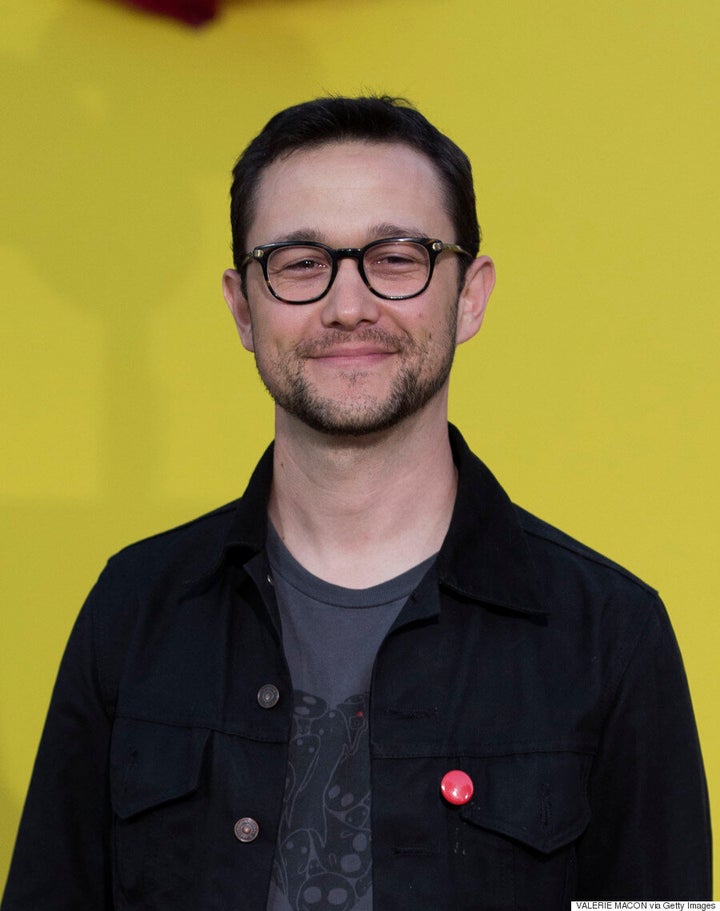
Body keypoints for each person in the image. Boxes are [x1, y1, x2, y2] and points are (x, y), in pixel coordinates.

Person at [1, 96, 711, 911]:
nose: (348, 305)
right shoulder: (133, 610)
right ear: (242, 305)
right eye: (300, 262)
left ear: (470, 295)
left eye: (397, 256)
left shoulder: (612, 636)